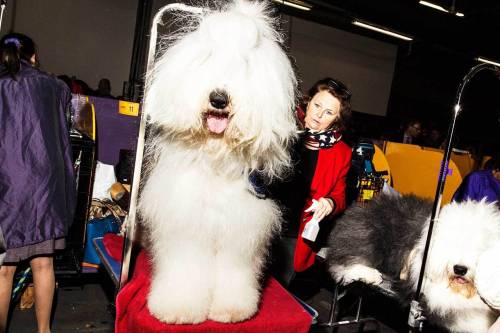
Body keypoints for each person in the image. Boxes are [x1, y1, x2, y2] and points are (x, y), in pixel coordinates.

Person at [0, 33, 76, 333]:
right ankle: (44, 330)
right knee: (43, 264)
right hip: (45, 189)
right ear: (33, 56)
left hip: (7, 189)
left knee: (4, 270)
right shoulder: (54, 87)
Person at [273, 78, 352, 279]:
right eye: (317, 105)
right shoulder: (280, 129)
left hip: (294, 235)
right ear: (308, 102)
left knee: (280, 298)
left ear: (336, 119)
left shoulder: (342, 152)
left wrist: (330, 202)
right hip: (261, 223)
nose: (318, 115)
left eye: (329, 112)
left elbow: (340, 196)